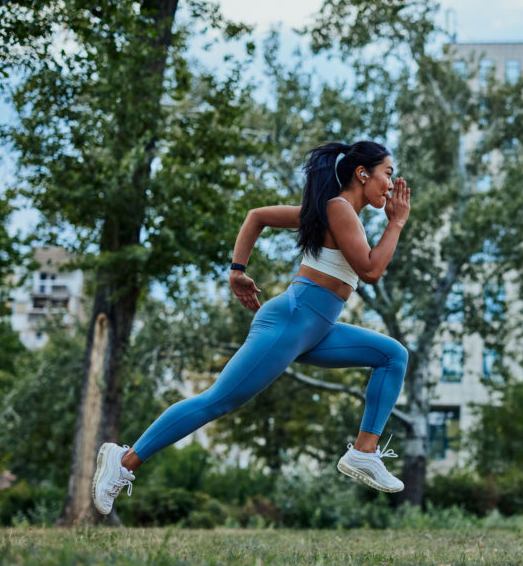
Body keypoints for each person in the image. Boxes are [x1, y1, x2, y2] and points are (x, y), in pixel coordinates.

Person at [92, 141, 411, 516]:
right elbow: (371, 270)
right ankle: (124, 460)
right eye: (388, 174)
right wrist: (396, 222)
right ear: (362, 173)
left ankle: (363, 451)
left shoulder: (332, 213)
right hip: (293, 321)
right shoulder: (338, 208)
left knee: (392, 356)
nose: (391, 185)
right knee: (217, 400)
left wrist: (239, 271)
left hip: (317, 328)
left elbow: (257, 216)